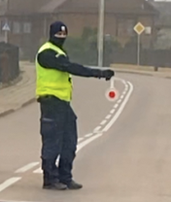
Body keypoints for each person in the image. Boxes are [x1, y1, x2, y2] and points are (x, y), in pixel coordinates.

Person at [36, 21, 114, 191]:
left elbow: (68, 67)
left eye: (64, 35)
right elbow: (70, 67)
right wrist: (97, 73)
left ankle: (65, 177)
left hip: (63, 103)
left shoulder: (59, 51)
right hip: (50, 102)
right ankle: (49, 179)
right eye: (59, 35)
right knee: (52, 143)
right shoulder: (46, 53)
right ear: (52, 35)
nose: (62, 38)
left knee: (69, 142)